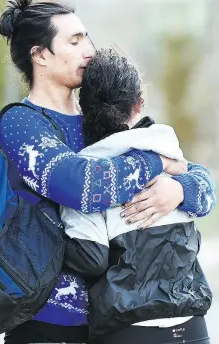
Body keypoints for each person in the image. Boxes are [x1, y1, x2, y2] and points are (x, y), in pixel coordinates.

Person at [0, 1, 216, 343]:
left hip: (109, 322)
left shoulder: (95, 121)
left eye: (87, 38)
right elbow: (83, 185)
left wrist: (181, 189)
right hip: (47, 322)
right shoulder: (22, 123)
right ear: (40, 55)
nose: (89, 50)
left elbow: (198, 177)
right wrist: (158, 164)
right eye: (74, 41)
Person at [61, 49, 215, 344]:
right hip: (192, 325)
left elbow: (90, 260)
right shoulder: (168, 151)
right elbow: (206, 189)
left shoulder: (87, 173)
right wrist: (183, 188)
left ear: (84, 107)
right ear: (139, 104)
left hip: (129, 327)